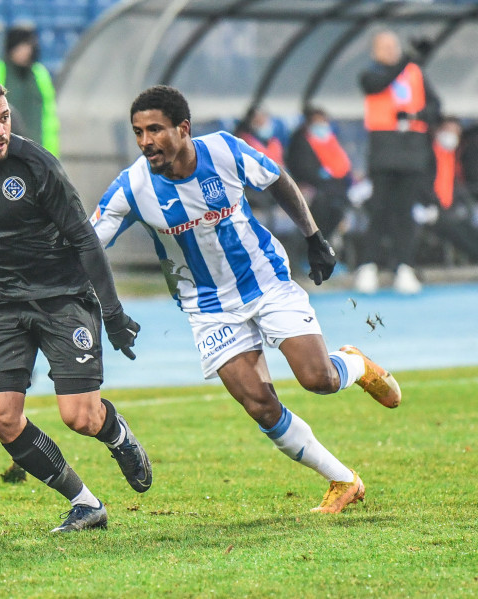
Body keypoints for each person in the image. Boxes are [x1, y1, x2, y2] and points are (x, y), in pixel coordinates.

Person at [91, 85, 402, 514]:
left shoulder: (223, 150)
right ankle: (342, 479)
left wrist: (314, 238)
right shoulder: (133, 186)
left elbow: (279, 180)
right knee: (259, 404)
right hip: (206, 305)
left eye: (156, 130)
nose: (146, 141)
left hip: (265, 281)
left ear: (183, 129)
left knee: (318, 380)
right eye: (138, 132)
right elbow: (87, 244)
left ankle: (355, 363)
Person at [0, 75, 151, 533]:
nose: (1, 130)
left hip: (62, 298)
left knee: (80, 417)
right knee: (0, 416)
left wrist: (112, 314)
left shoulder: (36, 164)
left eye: (5, 118)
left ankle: (116, 434)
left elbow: (83, 238)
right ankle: (85, 503)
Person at [353, 30, 441, 295]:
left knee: (406, 214)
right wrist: (409, 60)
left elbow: (436, 107)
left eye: (395, 46)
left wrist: (415, 114)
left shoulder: (416, 74)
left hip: (412, 155)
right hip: (383, 155)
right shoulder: (371, 74)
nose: (392, 51)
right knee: (379, 211)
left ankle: (404, 266)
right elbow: (377, 86)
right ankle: (368, 266)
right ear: (374, 51)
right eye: (385, 46)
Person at [0, 26, 59, 156]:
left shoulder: (40, 74)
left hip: (36, 150)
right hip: (3, 150)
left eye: (28, 47)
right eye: (20, 47)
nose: (25, 52)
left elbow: (49, 116)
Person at [285, 107, 352, 241]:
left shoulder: (331, 141)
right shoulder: (300, 143)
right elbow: (303, 170)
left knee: (337, 208)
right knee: (321, 207)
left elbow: (343, 167)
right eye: (317, 122)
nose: (322, 126)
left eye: (324, 122)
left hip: (334, 191)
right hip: (314, 190)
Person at [424, 117, 478, 263]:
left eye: (456, 132)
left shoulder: (454, 156)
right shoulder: (427, 155)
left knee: (467, 228)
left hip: (451, 208)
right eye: (448, 130)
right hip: (431, 209)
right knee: (457, 230)